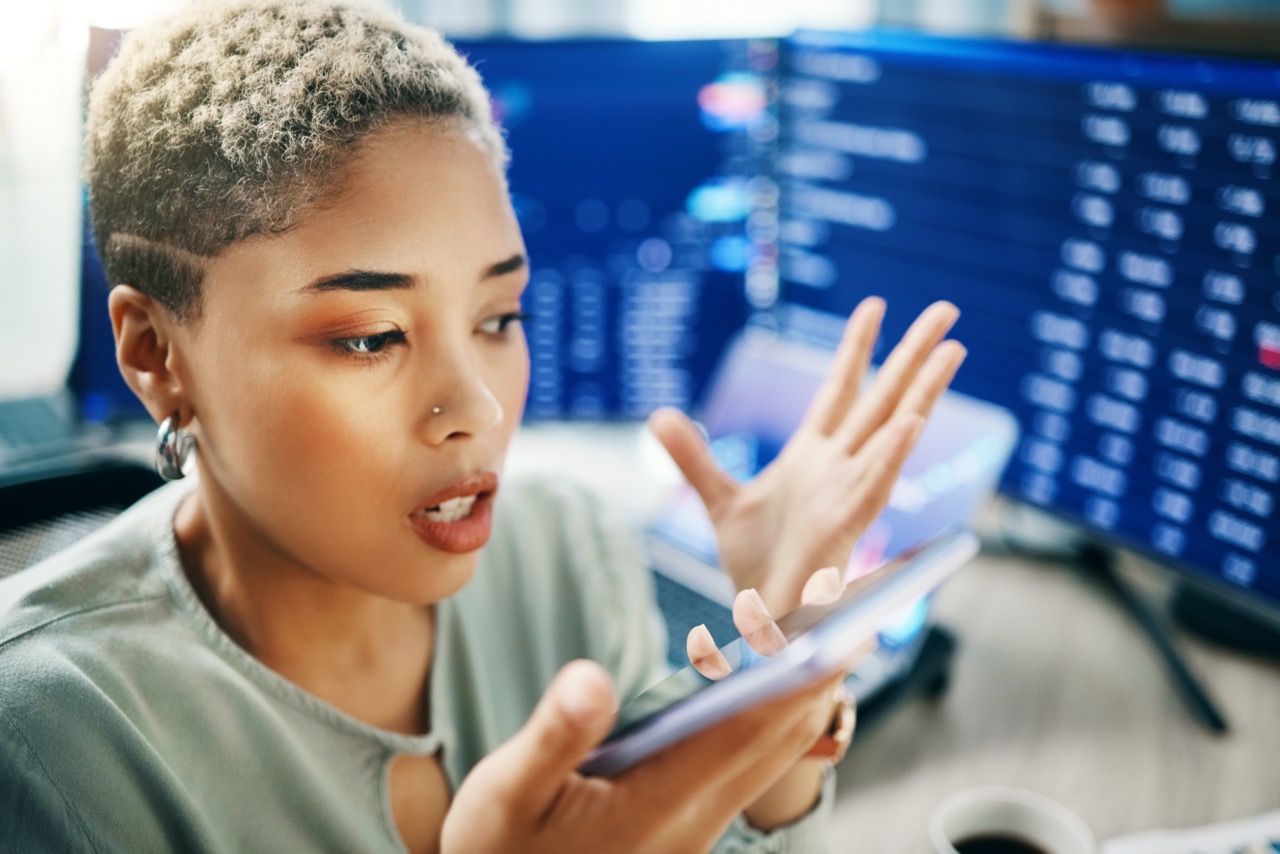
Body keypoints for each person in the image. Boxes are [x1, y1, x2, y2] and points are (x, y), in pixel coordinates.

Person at [0, 1, 965, 851]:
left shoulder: (566, 552)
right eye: (373, 337)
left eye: (498, 319)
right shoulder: (46, 742)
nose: (483, 408)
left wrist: (782, 693)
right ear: (156, 356)